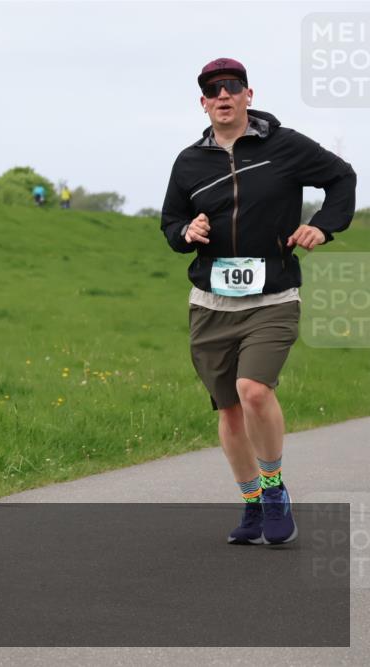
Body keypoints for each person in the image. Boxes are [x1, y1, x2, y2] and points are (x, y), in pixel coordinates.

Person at [161, 58, 356, 545]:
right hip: (210, 302)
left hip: (273, 296)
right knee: (228, 409)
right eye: (212, 91)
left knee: (253, 390)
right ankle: (250, 502)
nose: (222, 96)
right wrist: (187, 231)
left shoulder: (284, 146)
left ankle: (273, 490)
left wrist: (323, 225)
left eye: (231, 88)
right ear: (203, 103)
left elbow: (343, 177)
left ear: (249, 94)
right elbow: (170, 224)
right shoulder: (188, 162)